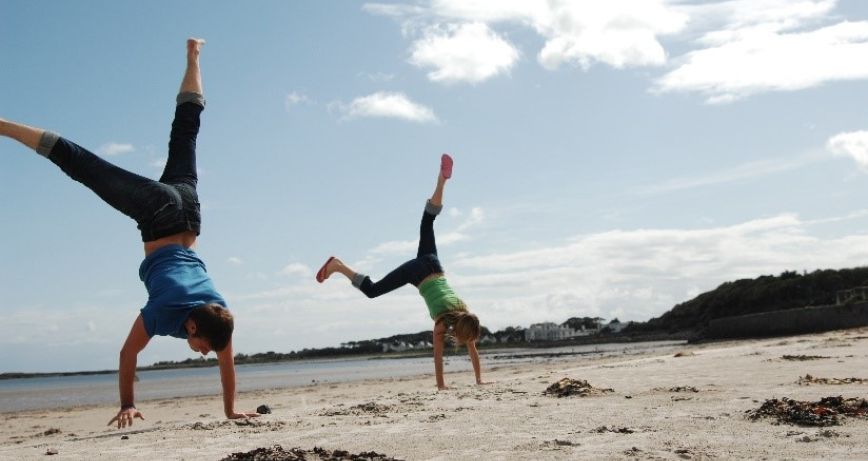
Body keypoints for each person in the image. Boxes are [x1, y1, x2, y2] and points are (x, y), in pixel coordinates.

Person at [0, 38, 259, 428]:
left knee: (186, 131)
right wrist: (126, 404)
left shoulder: (218, 312)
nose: (207, 354)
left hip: (189, 210)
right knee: (84, 166)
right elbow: (127, 355)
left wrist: (229, 410)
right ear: (191, 327)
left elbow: (227, 365)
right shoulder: (165, 311)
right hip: (159, 214)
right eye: (204, 347)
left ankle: (193, 54)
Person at [316, 154, 490, 390]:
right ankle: (338, 265)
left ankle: (441, 181)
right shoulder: (441, 325)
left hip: (434, 265)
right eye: (466, 339)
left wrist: (479, 380)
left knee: (428, 221)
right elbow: (438, 357)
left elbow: (470, 349)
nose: (466, 343)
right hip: (418, 273)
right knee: (373, 290)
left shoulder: (464, 312)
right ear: (461, 332)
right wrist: (442, 385)